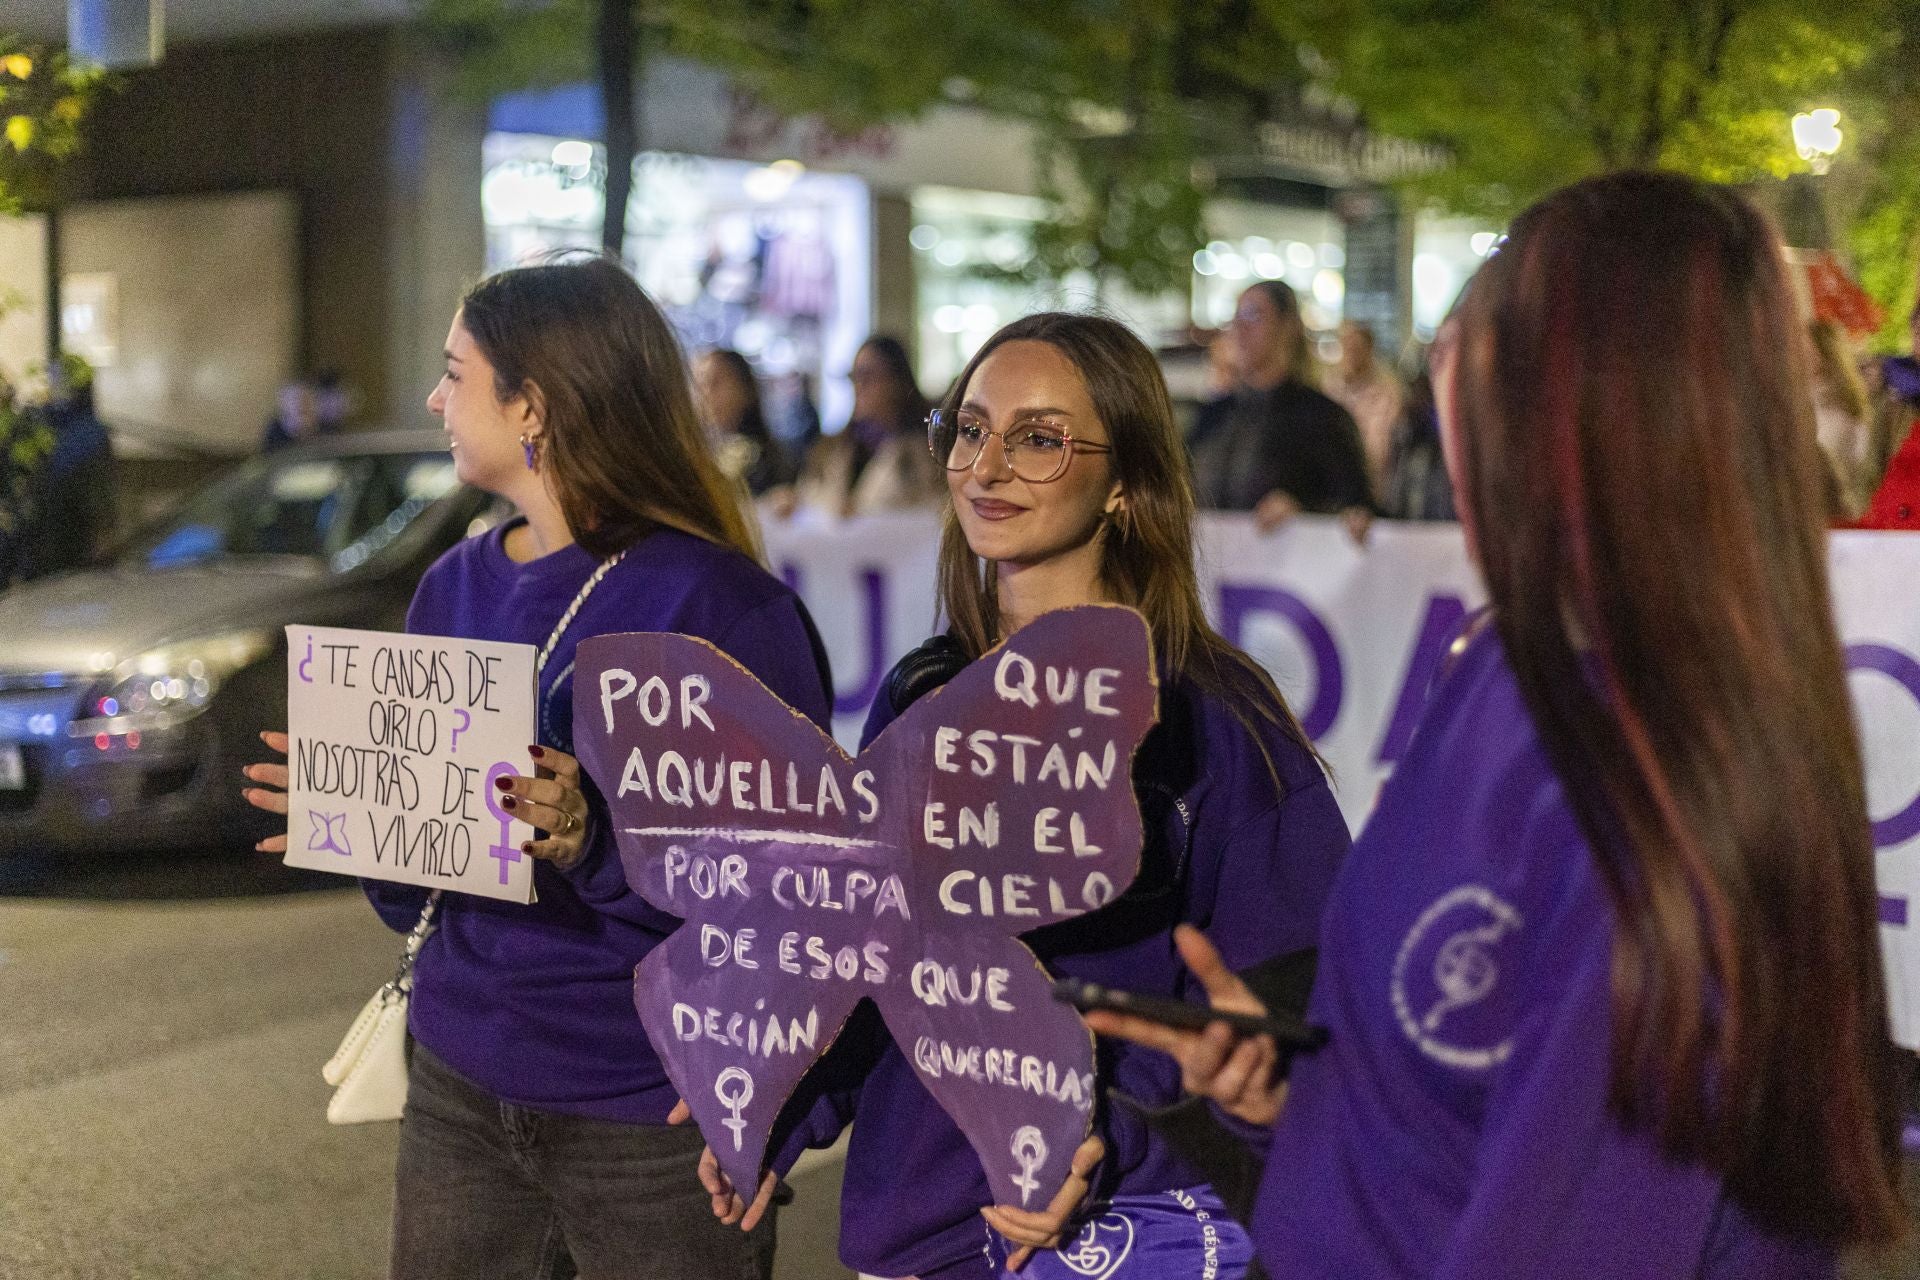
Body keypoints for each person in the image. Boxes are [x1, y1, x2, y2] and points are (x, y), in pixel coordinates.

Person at [1090, 172, 1906, 1276]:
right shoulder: (1502, 670)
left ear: (1594, 418)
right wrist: (1293, 1094)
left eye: (1480, 365)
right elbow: (1444, 1089)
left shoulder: (1667, 807)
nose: (1448, 411)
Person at [700, 312, 1353, 1279]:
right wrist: (782, 1098)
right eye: (970, 429)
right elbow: (871, 955)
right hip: (915, 1229)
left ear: (1125, 481)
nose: (988, 466)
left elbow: (1294, 1020)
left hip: (1124, 1235)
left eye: (1040, 439)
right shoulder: (921, 694)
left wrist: (1102, 1139)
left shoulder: (1216, 719)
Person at [241, 257, 834, 1280]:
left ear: (534, 406)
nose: (435, 400)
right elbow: (422, 895)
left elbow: (802, 891)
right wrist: (361, 815)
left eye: (454, 374)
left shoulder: (718, 607)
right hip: (460, 1091)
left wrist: (592, 844)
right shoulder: (452, 585)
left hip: (653, 1115)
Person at [1188, 282, 1373, 534]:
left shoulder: (1322, 419)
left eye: (1254, 316)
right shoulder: (1214, 415)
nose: (1240, 328)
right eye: (1236, 317)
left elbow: (1357, 507)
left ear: (1288, 327)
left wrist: (1304, 510)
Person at [775, 335, 943, 519]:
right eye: (854, 378)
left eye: (867, 377)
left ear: (895, 382)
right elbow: (810, 494)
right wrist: (795, 501)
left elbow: (929, 514)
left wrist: (861, 513)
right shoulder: (833, 446)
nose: (858, 387)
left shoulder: (923, 452)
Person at [1321, 320, 1404, 503]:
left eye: (1356, 348)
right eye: (1347, 347)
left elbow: (1380, 448)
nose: (1351, 354)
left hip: (1372, 493)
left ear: (1369, 350)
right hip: (1332, 492)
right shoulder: (1330, 389)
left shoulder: (1387, 393)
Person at [694, 348, 794, 497]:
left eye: (715, 383)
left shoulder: (769, 459)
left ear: (744, 388)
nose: (705, 393)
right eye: (700, 385)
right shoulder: (693, 453)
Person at [1808, 320, 1871, 518]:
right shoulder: (1798, 400)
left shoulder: (1844, 410)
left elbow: (1860, 468)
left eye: (1807, 348)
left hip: (1838, 511)